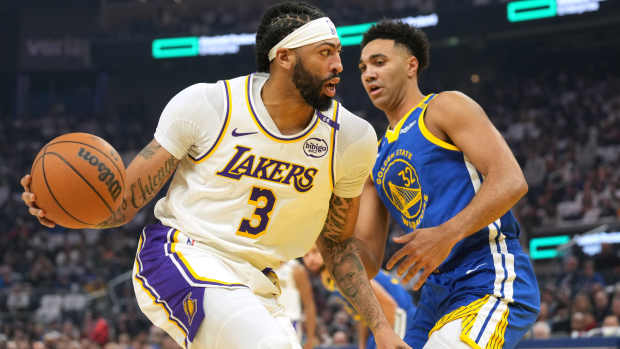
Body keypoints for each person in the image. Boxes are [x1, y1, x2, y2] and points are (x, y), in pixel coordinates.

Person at [20, 3, 411, 349]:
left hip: (261, 284)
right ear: (285, 57)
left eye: (338, 53)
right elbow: (124, 205)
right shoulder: (209, 105)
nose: (339, 65)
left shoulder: (353, 139)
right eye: (325, 53)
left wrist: (382, 328)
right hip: (181, 254)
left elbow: (338, 248)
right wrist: (61, 210)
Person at [355, 21, 540, 348]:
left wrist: (447, 233)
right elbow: (366, 260)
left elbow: (511, 180)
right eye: (363, 67)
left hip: (487, 275)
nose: (369, 73)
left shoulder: (444, 107)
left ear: (411, 65)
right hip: (433, 297)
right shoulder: (375, 157)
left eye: (379, 62)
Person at [303, 245, 417, 349]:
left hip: (399, 314)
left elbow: (389, 305)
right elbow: (362, 316)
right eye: (306, 255)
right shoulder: (327, 278)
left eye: (315, 252)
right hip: (380, 321)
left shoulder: (343, 269)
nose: (310, 259)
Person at [275, 259, 318, 349]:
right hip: (266, 322)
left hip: (290, 324)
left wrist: (310, 337)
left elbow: (309, 303)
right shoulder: (259, 265)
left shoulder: (296, 269)